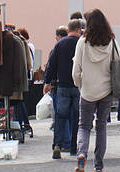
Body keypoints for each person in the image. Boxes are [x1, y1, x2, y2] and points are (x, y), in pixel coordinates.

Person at [72, 8, 120, 172]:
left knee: (83, 126)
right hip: (106, 92)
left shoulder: (82, 42)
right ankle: (98, 168)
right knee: (101, 126)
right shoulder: (111, 42)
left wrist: (80, 85)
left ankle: (81, 154)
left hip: (87, 91)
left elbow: (75, 71)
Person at [45, 19, 82, 159]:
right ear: (79, 30)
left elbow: (51, 64)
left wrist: (47, 82)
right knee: (76, 117)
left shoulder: (60, 44)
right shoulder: (81, 43)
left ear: (68, 30)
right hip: (78, 85)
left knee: (61, 116)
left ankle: (57, 145)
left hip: (63, 85)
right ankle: (73, 146)